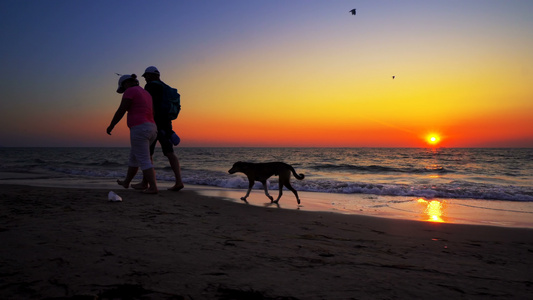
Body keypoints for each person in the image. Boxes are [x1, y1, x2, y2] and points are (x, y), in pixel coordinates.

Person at [131, 66, 184, 191]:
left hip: (154, 123)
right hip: (166, 124)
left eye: (146, 76)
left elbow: (149, 104)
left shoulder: (151, 86)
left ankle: (146, 183)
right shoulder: (166, 88)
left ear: (153, 75)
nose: (145, 79)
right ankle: (179, 181)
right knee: (169, 153)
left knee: (147, 153)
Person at [107, 74, 158, 194]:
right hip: (152, 128)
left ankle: (153, 187)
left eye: (123, 87)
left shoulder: (130, 91)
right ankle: (126, 182)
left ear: (125, 83)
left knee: (144, 160)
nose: (124, 90)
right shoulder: (146, 93)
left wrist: (112, 125)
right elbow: (153, 111)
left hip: (139, 129)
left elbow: (122, 109)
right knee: (134, 157)